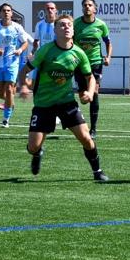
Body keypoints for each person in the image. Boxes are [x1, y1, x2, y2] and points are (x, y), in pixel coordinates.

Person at [23, 13, 109, 182]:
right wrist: (23, 86)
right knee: (33, 147)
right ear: (55, 30)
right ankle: (38, 153)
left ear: (73, 30)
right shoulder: (45, 51)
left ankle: (97, 171)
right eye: (62, 25)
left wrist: (90, 93)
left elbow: (89, 77)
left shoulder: (79, 53)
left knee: (86, 138)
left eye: (69, 25)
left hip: (67, 102)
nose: (66, 27)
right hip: (44, 103)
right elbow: (24, 71)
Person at [0, 3, 30, 128]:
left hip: (12, 63)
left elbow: (25, 43)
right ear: (0, 13)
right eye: (4, 10)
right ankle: (10, 103)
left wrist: (20, 50)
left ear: (12, 13)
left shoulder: (17, 27)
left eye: (8, 10)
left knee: (9, 90)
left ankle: (6, 119)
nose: (6, 12)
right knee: (0, 94)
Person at [73, 0, 113, 137]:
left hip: (95, 63)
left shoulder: (101, 25)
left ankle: (93, 128)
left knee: (94, 92)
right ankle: (77, 121)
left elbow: (108, 43)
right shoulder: (76, 24)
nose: (87, 7)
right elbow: (70, 43)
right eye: (85, 5)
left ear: (95, 9)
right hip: (79, 63)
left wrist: (108, 57)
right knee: (84, 97)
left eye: (90, 5)